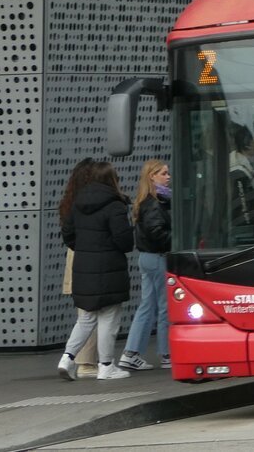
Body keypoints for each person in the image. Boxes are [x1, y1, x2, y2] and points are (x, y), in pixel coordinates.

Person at [57, 161, 134, 381]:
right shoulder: (115, 205)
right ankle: (106, 366)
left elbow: (68, 234)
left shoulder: (77, 204)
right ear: (111, 180)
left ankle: (66, 358)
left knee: (86, 319)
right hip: (109, 268)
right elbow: (124, 240)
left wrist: (83, 249)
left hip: (83, 267)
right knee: (109, 318)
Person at [118, 160, 171, 371]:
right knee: (165, 306)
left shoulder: (147, 200)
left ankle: (131, 353)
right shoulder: (156, 202)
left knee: (147, 306)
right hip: (158, 257)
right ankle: (167, 353)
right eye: (164, 173)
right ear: (152, 176)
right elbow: (156, 232)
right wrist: (179, 237)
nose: (168, 176)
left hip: (147, 258)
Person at [60, 159, 99, 378]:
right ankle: (87, 363)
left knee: (85, 311)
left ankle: (79, 361)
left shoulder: (70, 200)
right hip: (90, 256)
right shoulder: (92, 201)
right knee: (92, 313)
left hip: (75, 256)